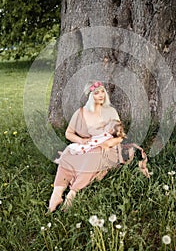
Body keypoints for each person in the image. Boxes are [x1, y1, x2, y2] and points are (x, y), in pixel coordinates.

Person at [48, 81, 124, 212]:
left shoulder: (111, 111)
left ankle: (73, 193)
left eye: (102, 92)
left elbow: (120, 136)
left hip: (107, 147)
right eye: (96, 93)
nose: (101, 95)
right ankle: (57, 193)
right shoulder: (80, 113)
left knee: (92, 156)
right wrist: (80, 140)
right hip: (87, 144)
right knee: (68, 153)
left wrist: (108, 143)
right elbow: (68, 133)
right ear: (90, 96)